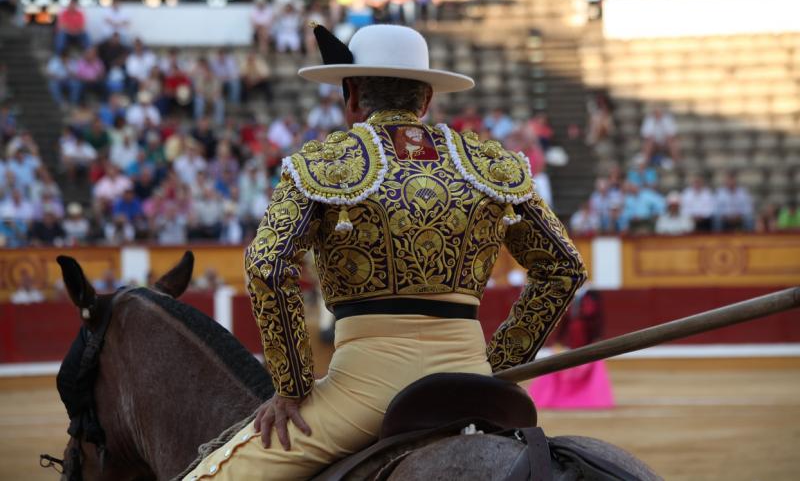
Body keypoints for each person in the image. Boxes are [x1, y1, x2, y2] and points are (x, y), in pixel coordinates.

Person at [182, 24, 587, 480]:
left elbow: (266, 265)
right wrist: (498, 368)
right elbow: (564, 268)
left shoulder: (324, 163)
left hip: (366, 389)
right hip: (469, 375)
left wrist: (291, 387)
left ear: (352, 94)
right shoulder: (490, 164)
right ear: (427, 98)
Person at [528, 286, 614, 409]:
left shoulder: (593, 294)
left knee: (586, 363)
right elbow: (565, 319)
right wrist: (558, 340)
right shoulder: (571, 294)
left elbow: (598, 318)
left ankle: (584, 395)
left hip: (586, 334)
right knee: (574, 364)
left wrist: (597, 337)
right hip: (573, 335)